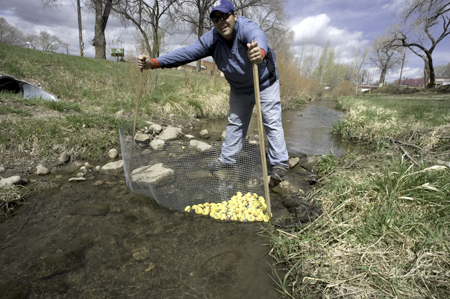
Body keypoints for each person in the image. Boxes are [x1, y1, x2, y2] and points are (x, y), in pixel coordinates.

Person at [137, 0, 289, 181]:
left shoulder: (246, 27)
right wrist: (153, 63)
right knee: (235, 123)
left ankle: (279, 163)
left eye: (225, 16)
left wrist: (260, 52)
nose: (221, 21)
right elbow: (185, 53)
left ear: (234, 16)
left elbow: (258, 37)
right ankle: (227, 160)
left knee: (271, 121)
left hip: (264, 83)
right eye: (216, 18)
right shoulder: (212, 39)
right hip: (239, 88)